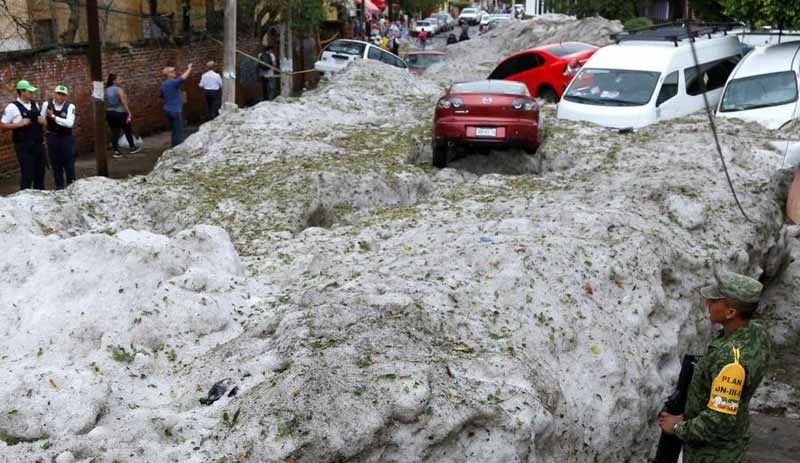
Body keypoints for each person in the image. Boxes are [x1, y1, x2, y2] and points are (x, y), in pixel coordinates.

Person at [658, 271, 772, 463]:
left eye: (714, 300)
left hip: (712, 453)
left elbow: (718, 421)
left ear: (731, 313)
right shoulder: (755, 332)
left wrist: (677, 427)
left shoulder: (730, 360)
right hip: (730, 442)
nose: (707, 304)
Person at [0, 80, 46, 190]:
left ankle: (40, 201)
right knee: (27, 174)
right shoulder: (12, 107)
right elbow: (2, 126)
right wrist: (19, 124)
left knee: (40, 174)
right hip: (24, 146)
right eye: (29, 91)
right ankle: (25, 200)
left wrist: (43, 122)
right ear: (22, 91)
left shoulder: (35, 104)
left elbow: (43, 124)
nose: (32, 93)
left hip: (38, 145)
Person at [40, 85, 76, 190]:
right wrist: (44, 129)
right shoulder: (47, 105)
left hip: (66, 138)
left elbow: (69, 123)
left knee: (69, 164)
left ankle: (72, 187)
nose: (60, 97)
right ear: (54, 94)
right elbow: (42, 119)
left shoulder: (70, 106)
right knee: (56, 165)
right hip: (52, 137)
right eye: (58, 94)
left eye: (63, 95)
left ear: (66, 96)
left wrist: (53, 117)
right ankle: (59, 187)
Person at [105, 73, 140, 158]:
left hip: (109, 113)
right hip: (120, 113)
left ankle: (116, 151)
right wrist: (129, 112)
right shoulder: (118, 89)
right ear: (114, 81)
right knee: (127, 129)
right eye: (119, 79)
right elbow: (123, 102)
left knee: (115, 132)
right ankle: (132, 147)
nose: (121, 80)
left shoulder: (105, 90)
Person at [160, 63, 192, 147]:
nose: (174, 72)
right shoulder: (172, 82)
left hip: (167, 109)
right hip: (175, 109)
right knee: (178, 130)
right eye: (172, 71)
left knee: (174, 129)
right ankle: (178, 147)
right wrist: (189, 68)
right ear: (168, 74)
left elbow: (162, 96)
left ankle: (174, 145)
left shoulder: (163, 84)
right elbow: (183, 78)